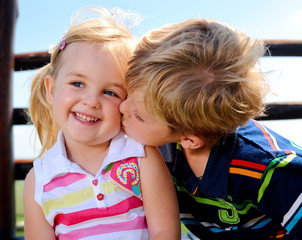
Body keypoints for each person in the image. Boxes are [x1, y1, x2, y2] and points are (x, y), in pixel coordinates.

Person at [120, 18, 302, 239]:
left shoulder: (268, 170)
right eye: (127, 93)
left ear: (191, 140)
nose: (122, 106)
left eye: (139, 115)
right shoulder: (164, 145)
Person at [23, 7, 180, 240]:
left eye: (109, 92)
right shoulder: (40, 181)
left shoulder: (141, 156)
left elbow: (165, 233)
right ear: (52, 90)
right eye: (77, 83)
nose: (91, 102)